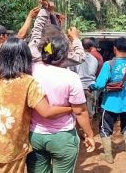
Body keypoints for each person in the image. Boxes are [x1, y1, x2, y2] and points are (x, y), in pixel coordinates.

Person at [0, 38, 73, 173]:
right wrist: (72, 108)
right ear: (25, 58)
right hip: (10, 146)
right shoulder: (28, 83)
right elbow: (47, 112)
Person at [26, 36, 95, 173]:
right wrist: (89, 135)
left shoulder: (30, 70)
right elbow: (80, 111)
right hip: (62, 137)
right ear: (64, 54)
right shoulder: (71, 77)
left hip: (34, 135)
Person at [89, 37, 126, 165]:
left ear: (114, 48)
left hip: (110, 103)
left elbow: (100, 84)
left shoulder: (109, 64)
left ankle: (108, 156)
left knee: (105, 128)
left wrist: (92, 86)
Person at [72, 38, 98, 121]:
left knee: (78, 110)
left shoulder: (75, 58)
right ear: (91, 48)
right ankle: (88, 132)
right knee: (90, 111)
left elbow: (71, 72)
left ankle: (80, 131)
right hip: (91, 87)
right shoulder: (94, 59)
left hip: (78, 87)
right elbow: (95, 72)